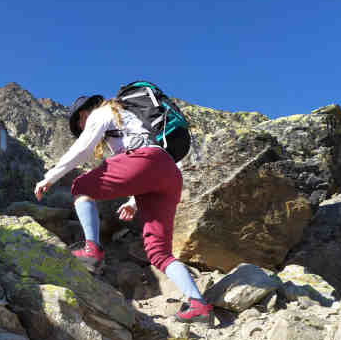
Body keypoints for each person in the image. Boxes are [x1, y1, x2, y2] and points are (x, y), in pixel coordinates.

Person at [34, 94, 213, 324]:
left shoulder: (101, 113)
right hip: (168, 172)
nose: (81, 128)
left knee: (81, 186)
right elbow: (142, 169)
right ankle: (199, 305)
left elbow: (82, 150)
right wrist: (133, 202)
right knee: (159, 253)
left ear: (83, 113)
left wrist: (49, 178)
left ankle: (92, 249)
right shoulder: (129, 120)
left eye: (79, 124)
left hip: (146, 161)